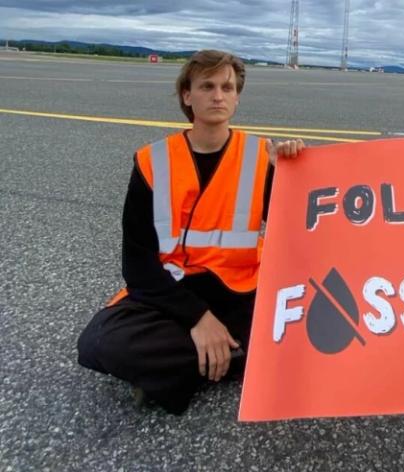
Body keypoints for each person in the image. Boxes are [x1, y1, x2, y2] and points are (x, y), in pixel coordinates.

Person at [77, 50, 304, 414]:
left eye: (227, 87)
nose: (218, 95)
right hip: (174, 289)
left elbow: (297, 228)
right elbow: (137, 263)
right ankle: (232, 355)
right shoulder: (153, 161)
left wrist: (292, 171)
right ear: (187, 95)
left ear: (237, 96)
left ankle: (190, 364)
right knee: (100, 341)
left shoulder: (261, 156)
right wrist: (199, 319)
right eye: (207, 86)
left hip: (241, 288)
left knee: (302, 323)